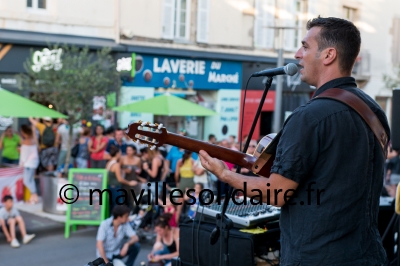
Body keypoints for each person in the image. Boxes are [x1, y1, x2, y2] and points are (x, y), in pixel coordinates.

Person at [198, 17, 390, 265]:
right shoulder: (374, 111)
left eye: (305, 46)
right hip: (368, 255)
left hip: (316, 258)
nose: (298, 54)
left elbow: (276, 193)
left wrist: (225, 175)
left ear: (329, 55)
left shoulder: (309, 116)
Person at [105, 145, 138, 215]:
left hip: (110, 187)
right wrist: (130, 183)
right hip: (116, 188)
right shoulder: (116, 164)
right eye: (120, 153)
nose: (121, 155)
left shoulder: (109, 163)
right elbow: (120, 179)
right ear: (117, 154)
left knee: (112, 207)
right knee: (119, 208)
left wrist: (124, 171)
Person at [19, 124, 40, 204]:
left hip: (28, 164)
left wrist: (21, 164)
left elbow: (24, 156)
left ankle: (35, 195)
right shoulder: (33, 139)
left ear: (23, 132)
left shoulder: (26, 141)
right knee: (31, 180)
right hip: (33, 163)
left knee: (27, 181)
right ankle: (33, 198)